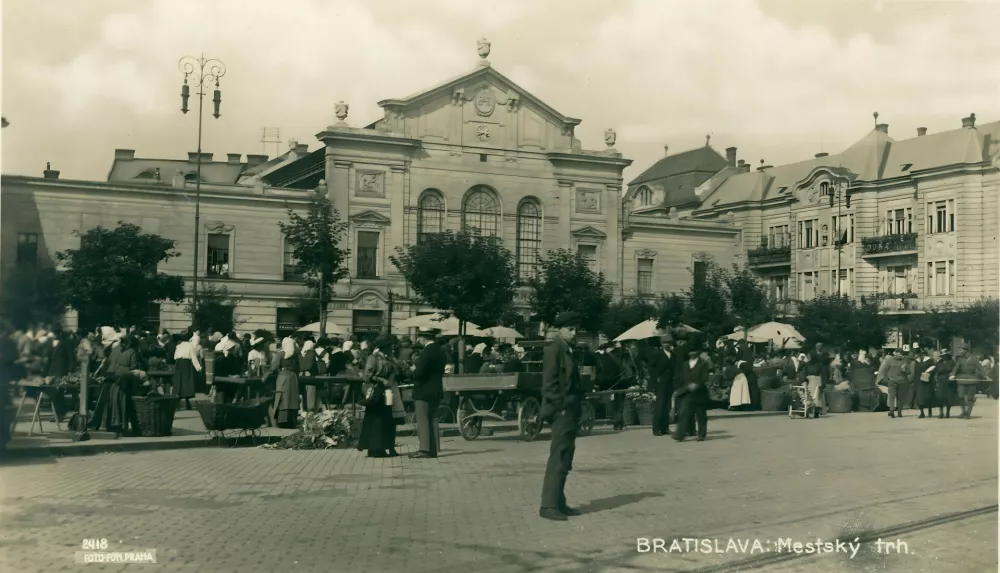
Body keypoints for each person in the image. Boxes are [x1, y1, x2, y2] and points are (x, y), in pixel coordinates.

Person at [538, 312, 584, 521]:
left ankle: (559, 501)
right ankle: (548, 505)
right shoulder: (553, 349)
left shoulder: (567, 349)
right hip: (562, 410)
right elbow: (549, 384)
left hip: (571, 409)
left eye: (576, 329)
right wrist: (561, 408)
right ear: (560, 330)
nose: (574, 333)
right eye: (570, 329)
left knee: (566, 456)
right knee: (558, 456)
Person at [357, 335, 405, 458]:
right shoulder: (374, 358)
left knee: (386, 420)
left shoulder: (389, 358)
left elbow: (399, 370)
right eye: (390, 345)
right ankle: (375, 448)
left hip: (388, 392)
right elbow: (367, 375)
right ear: (384, 346)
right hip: (377, 392)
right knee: (376, 420)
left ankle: (383, 446)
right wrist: (381, 380)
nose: (392, 347)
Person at [409, 328, 447, 459]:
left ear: (424, 338)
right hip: (436, 388)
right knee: (433, 418)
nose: (418, 339)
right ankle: (434, 448)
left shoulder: (426, 352)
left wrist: (413, 369)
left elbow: (419, 373)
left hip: (424, 389)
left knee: (423, 419)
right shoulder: (441, 351)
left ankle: (424, 449)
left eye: (419, 337)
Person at [673, 342, 710, 442]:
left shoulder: (703, 364)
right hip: (687, 393)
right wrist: (678, 388)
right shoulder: (685, 364)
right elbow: (681, 378)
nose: (691, 353)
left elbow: (705, 376)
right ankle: (679, 435)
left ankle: (702, 434)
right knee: (684, 413)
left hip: (699, 393)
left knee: (701, 414)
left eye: (694, 351)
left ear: (698, 352)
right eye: (690, 352)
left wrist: (697, 384)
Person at [267, 337, 301, 428]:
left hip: (283, 377)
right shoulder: (296, 354)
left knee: (281, 398)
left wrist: (265, 377)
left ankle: (282, 421)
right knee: (292, 399)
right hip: (293, 378)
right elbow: (299, 367)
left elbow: (274, 367)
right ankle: (292, 421)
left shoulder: (281, 354)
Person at [647, 335, 674, 436]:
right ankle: (656, 428)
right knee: (660, 405)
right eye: (665, 342)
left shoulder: (672, 355)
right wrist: (656, 377)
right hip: (660, 383)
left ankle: (665, 427)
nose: (667, 344)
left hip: (669, 382)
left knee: (667, 406)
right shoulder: (657, 354)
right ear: (662, 344)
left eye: (669, 342)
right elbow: (650, 367)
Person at [950, 346, 987, 419]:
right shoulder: (960, 359)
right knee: (961, 396)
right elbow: (956, 368)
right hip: (961, 379)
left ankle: (968, 413)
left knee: (970, 398)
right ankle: (963, 412)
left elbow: (980, 368)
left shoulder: (974, 359)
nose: (960, 351)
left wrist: (984, 376)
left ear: (965, 350)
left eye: (961, 350)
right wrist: (952, 375)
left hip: (972, 379)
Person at [876, 349, 910, 418]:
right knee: (898, 397)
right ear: (895, 353)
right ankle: (896, 411)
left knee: (893, 396)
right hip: (897, 381)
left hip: (896, 381)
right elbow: (909, 372)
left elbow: (884, 370)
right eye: (899, 353)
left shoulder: (891, 361)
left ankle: (894, 411)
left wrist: (888, 377)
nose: (900, 355)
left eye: (901, 353)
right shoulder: (903, 361)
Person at [913, 349, 936, 418]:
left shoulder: (929, 361)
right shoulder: (916, 361)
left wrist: (928, 373)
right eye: (919, 354)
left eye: (921, 354)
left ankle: (929, 410)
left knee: (928, 396)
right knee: (920, 397)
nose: (920, 356)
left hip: (927, 381)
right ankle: (922, 412)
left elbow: (933, 369)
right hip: (918, 381)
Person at [935, 349, 957, 418]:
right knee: (940, 396)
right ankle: (941, 412)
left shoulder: (952, 362)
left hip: (949, 380)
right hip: (940, 380)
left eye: (945, 355)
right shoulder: (939, 362)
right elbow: (936, 371)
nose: (943, 357)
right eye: (942, 356)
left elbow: (954, 370)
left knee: (948, 397)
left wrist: (953, 375)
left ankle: (948, 412)